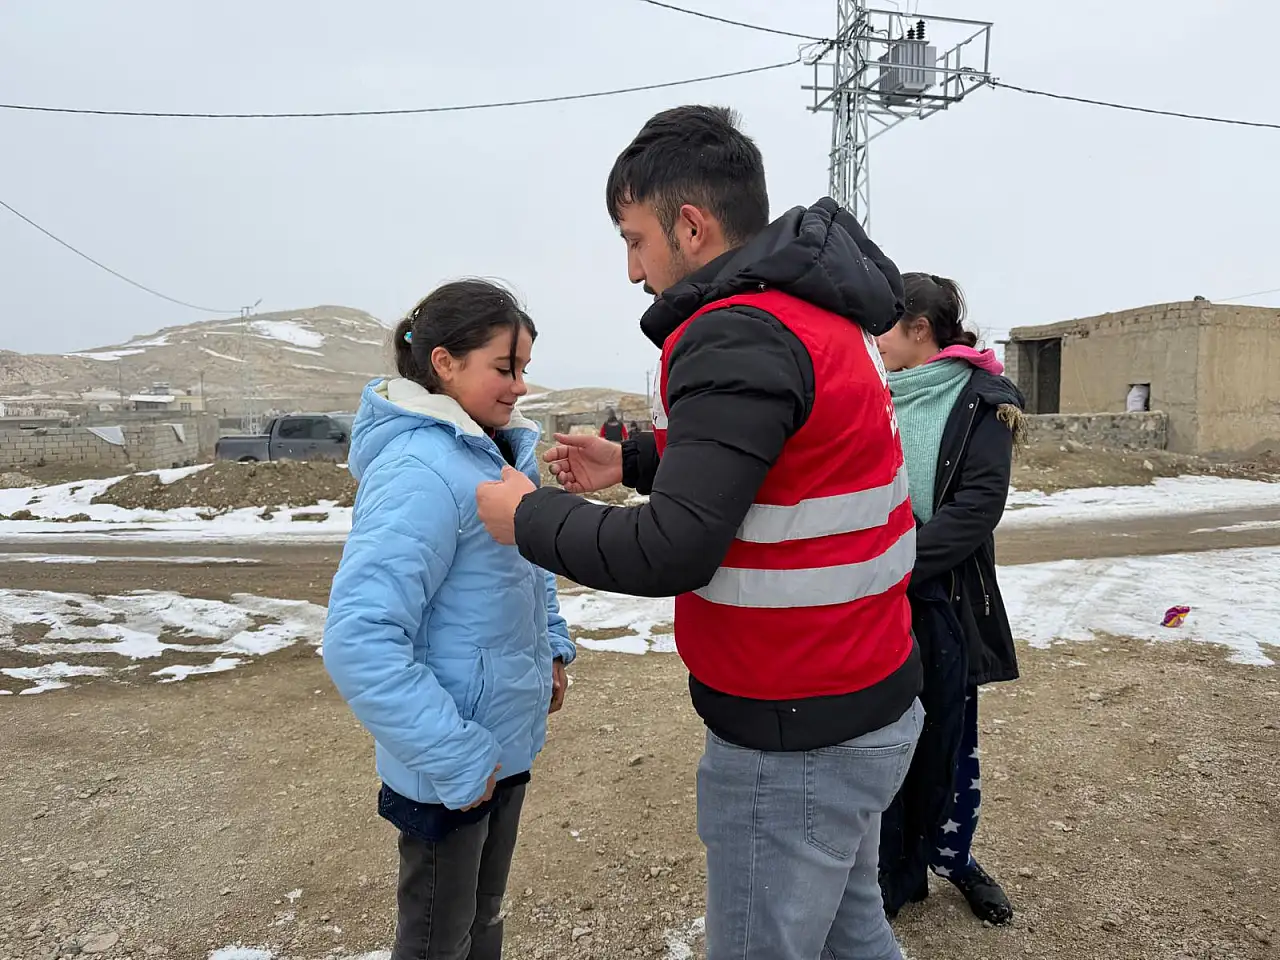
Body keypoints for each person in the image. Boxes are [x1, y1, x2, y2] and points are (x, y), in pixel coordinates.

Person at [476, 105, 922, 960]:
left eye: (634, 238)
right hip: (868, 693)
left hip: (795, 729)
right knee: (848, 933)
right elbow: (790, 450)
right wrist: (640, 459)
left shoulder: (732, 332)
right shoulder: (814, 315)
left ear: (691, 224)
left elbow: (674, 548)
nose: (632, 269)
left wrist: (526, 517)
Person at [323, 279, 576, 960]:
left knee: (483, 919)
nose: (521, 386)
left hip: (502, 743)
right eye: (504, 367)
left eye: (523, 368)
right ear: (443, 362)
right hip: (453, 764)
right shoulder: (420, 469)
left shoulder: (491, 449)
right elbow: (359, 638)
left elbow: (526, 566)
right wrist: (458, 756)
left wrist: (551, 646)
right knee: (438, 941)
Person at [874, 272, 1024, 926]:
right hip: (876, 598)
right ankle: (893, 872)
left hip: (941, 595)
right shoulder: (874, 395)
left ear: (918, 329)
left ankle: (954, 858)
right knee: (880, 739)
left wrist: (895, 563)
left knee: (948, 743)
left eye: (883, 323)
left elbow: (975, 510)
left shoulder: (981, 398)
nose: (872, 338)